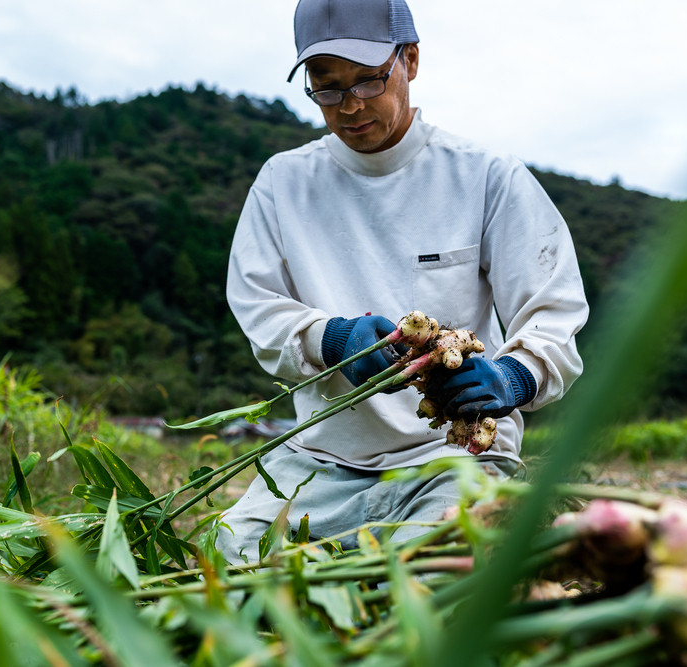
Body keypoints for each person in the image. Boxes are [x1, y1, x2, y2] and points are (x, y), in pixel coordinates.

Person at [219, 0, 588, 564]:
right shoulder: (283, 184)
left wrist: (515, 375)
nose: (352, 105)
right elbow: (257, 305)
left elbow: (554, 312)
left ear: (410, 61)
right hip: (319, 461)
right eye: (328, 87)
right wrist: (332, 340)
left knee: (432, 573)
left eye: (368, 80)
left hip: (451, 459)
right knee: (230, 558)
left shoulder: (487, 177)